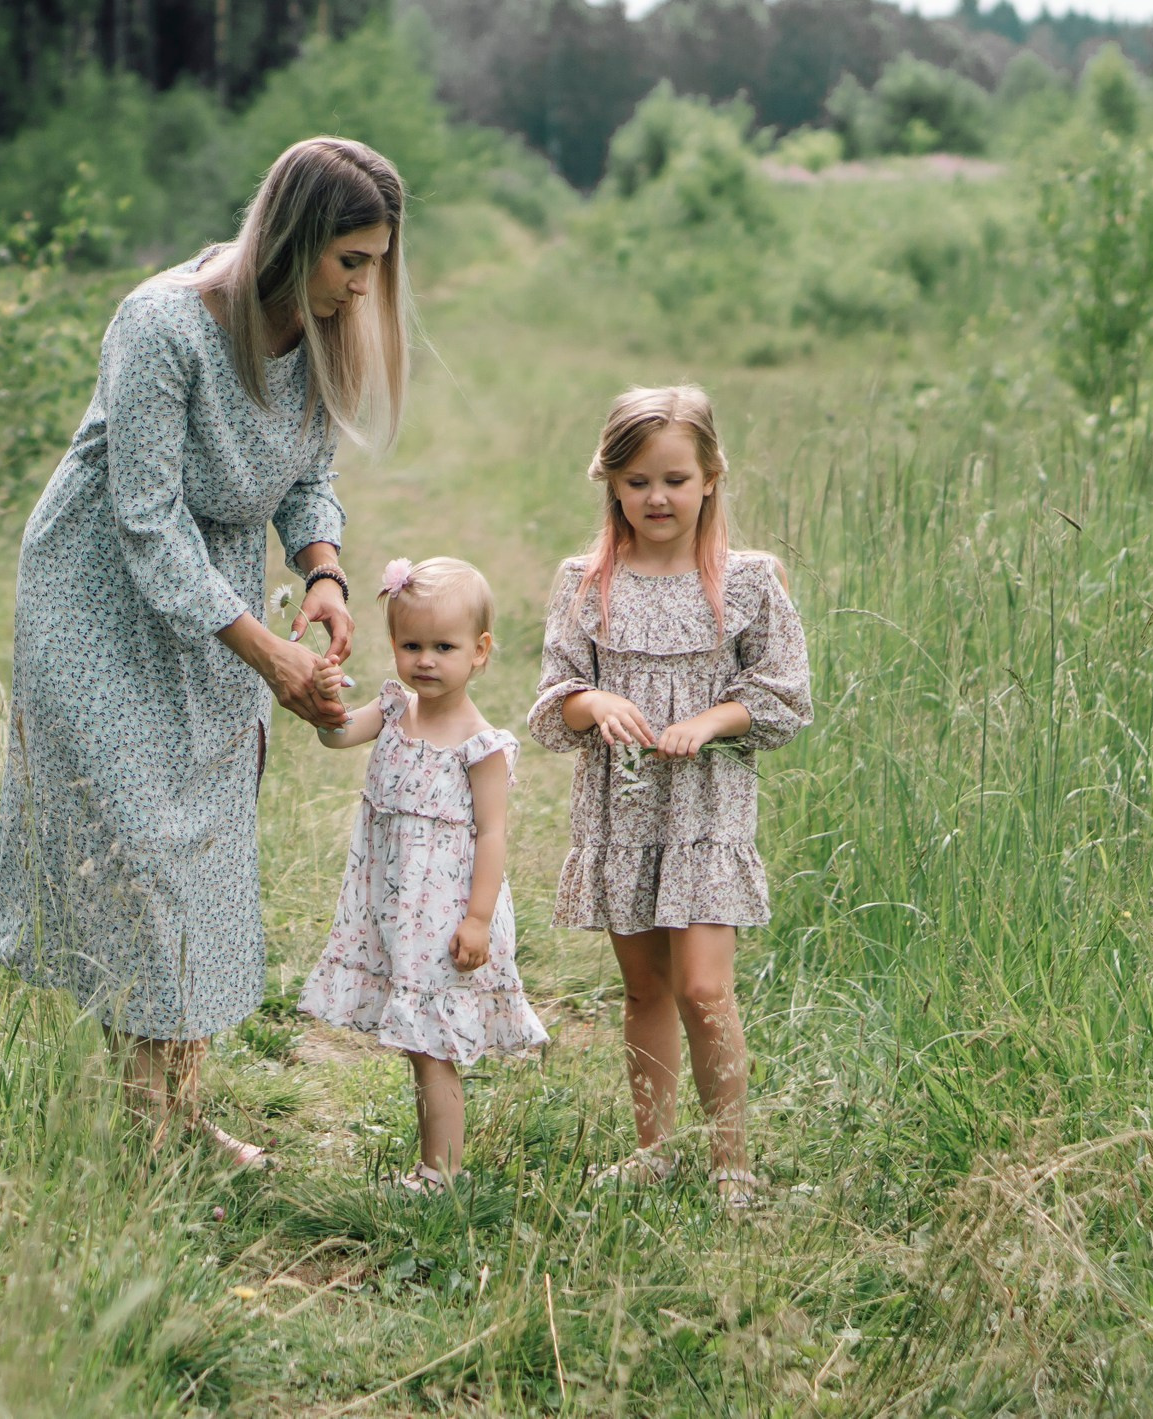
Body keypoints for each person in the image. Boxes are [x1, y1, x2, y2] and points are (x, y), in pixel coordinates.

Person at [0, 137, 411, 1168]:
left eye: (376, 265)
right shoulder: (163, 324)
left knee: (201, 850)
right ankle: (150, 1124)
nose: (364, 287)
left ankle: (174, 1112)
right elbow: (144, 521)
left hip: (216, 602)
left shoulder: (314, 334)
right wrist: (268, 658)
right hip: (101, 594)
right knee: (143, 851)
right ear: (297, 236)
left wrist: (322, 576)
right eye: (351, 261)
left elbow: (307, 478)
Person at [528, 385, 811, 1202]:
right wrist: (598, 702)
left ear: (712, 476)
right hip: (623, 809)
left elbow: (783, 694)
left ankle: (732, 1159)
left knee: (703, 985)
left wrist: (713, 719)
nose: (658, 497)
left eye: (676, 479)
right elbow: (557, 693)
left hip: (707, 809)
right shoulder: (586, 582)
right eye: (639, 480)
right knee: (645, 987)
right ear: (611, 482)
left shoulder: (749, 581)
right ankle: (656, 1145)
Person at [299, 557, 549, 1191]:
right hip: (393, 906)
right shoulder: (391, 712)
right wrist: (326, 699)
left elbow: (492, 834)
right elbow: (335, 737)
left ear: (481, 652)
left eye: (445, 646)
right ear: (393, 648)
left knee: (434, 1043)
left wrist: (479, 919)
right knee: (419, 1043)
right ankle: (432, 1164)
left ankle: (440, 1174)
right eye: (412, 646)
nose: (426, 660)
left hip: (446, 914)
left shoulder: (479, 744)